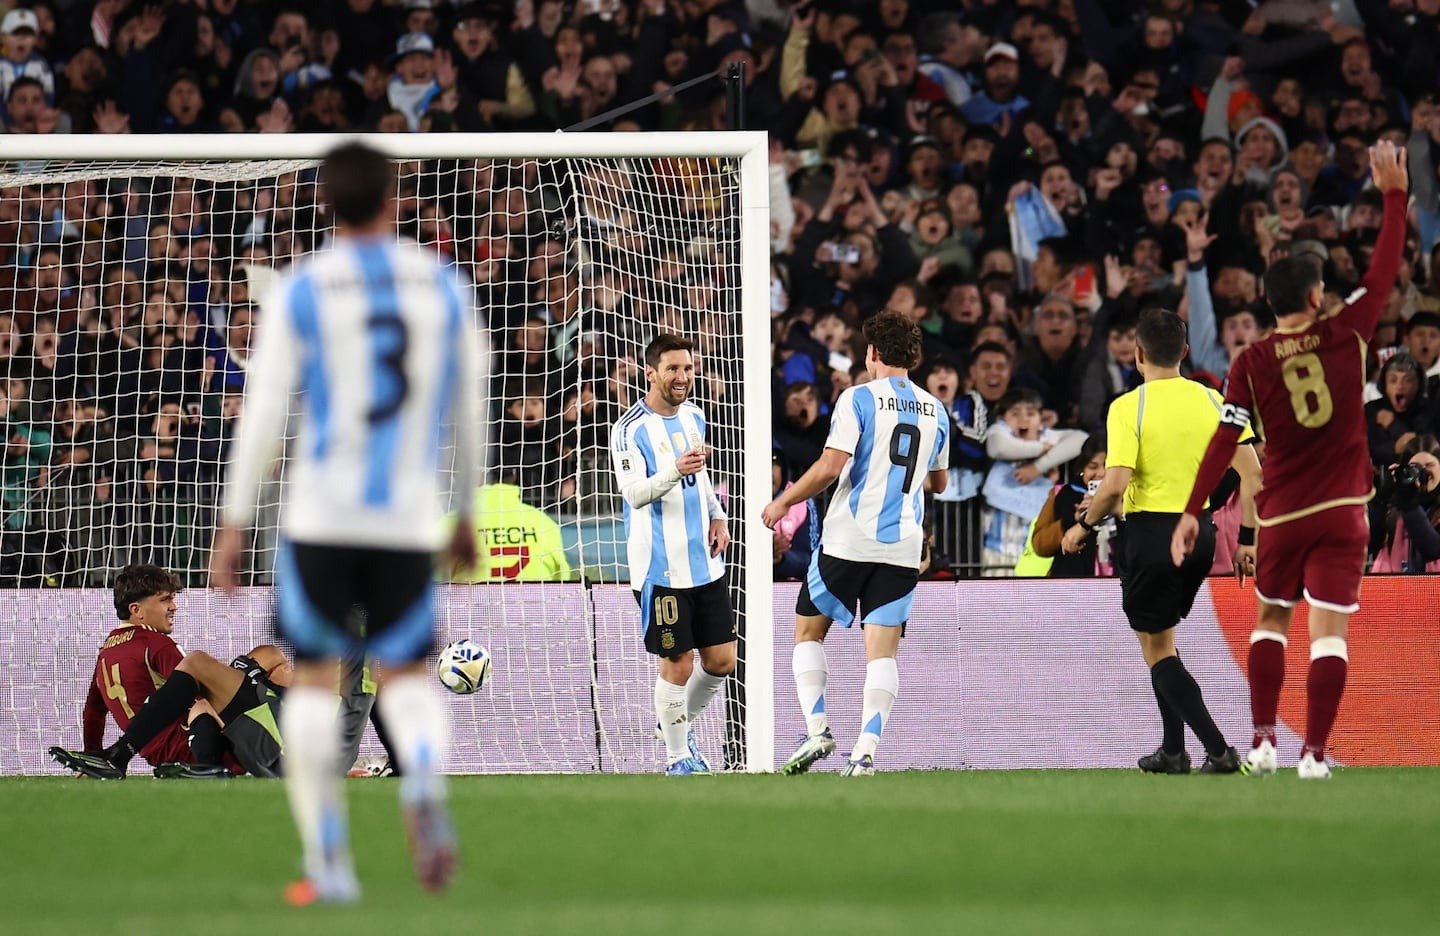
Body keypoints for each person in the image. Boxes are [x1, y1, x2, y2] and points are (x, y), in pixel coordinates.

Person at [208, 142, 484, 903]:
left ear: (326, 201)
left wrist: (233, 522)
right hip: (406, 516)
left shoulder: (304, 286)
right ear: (395, 198)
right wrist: (465, 508)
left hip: (320, 516)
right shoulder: (441, 283)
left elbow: (265, 411)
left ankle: (328, 858)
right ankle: (421, 782)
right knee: (405, 674)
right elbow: (469, 402)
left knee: (314, 680)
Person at [1173, 140, 1409, 781]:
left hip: (1282, 513)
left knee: (1271, 623)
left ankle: (1261, 743)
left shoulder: (1249, 362)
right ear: (1311, 297)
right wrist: (1394, 196)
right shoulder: (1346, 332)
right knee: (1330, 633)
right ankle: (1314, 755)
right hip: (1344, 511)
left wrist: (1192, 509)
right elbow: (1384, 272)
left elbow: (1224, 440)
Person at [1063, 309, 1260, 775]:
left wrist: (1083, 526)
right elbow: (1254, 475)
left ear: (1138, 354)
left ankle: (1219, 751)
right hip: (1201, 534)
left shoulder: (1129, 406)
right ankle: (1172, 751)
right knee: (1162, 641)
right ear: (1184, 353)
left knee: (1156, 649)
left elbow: (1114, 485)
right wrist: (1247, 541)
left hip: (1151, 535)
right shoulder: (1215, 400)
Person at [761, 311, 950, 777]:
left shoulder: (857, 398)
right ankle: (865, 753)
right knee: (882, 652)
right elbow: (939, 483)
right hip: (902, 545)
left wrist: (784, 501)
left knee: (808, 633)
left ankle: (818, 729)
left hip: (849, 538)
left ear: (873, 353)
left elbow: (830, 467)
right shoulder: (936, 409)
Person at [609, 333, 734, 776]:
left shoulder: (695, 416)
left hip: (704, 561)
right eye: (673, 369)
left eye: (688, 368)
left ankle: (674, 726)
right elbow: (633, 494)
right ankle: (678, 757)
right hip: (660, 567)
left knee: (721, 661)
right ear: (651, 373)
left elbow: (701, 478)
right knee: (678, 663)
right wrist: (673, 470)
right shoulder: (629, 430)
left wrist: (718, 515)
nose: (683, 377)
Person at [51, 642, 293, 780]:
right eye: (166, 599)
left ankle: (118, 755)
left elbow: (94, 708)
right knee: (201, 704)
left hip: (288, 747)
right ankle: (208, 768)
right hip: (273, 746)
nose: (173, 607)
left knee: (198, 667)